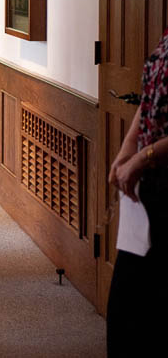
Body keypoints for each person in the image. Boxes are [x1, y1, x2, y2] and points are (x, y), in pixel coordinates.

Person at [106, 28, 167, 356]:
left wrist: (144, 157)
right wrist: (127, 151)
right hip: (149, 187)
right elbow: (149, 101)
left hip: (160, 174)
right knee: (125, 311)